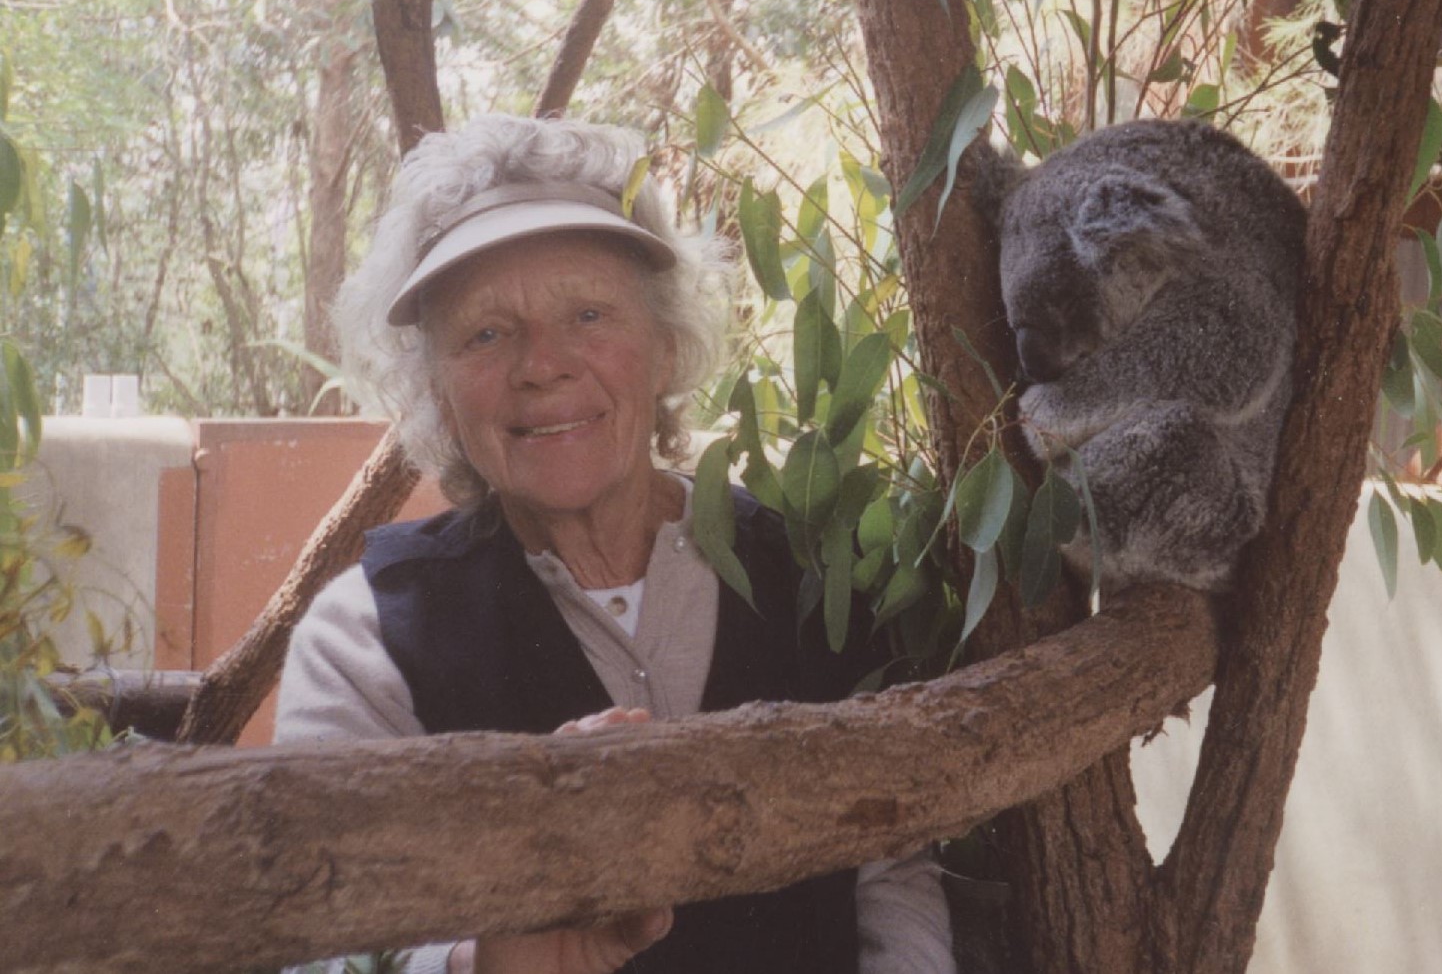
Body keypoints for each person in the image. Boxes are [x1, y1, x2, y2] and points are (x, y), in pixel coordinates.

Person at [276, 114, 955, 974]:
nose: (541, 365)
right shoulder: (362, 639)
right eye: (485, 333)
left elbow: (893, 872)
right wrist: (471, 963)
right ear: (436, 393)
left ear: (666, 348)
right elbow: (315, 940)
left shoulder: (820, 575)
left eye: (588, 314)